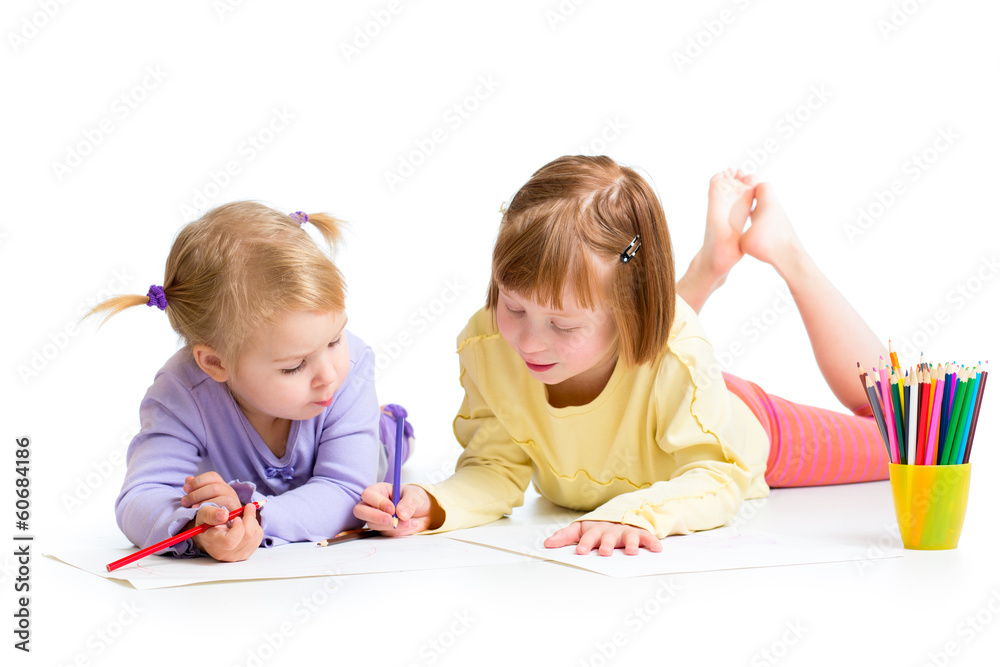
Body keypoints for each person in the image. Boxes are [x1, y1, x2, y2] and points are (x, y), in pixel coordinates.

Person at [354, 155, 888, 556]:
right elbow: (496, 465)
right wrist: (435, 503)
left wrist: (638, 514)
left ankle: (787, 254)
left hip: (735, 420)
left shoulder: (678, 352)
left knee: (901, 435)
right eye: (513, 307)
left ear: (630, 312)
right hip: (653, 371)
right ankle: (709, 265)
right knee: (643, 345)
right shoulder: (489, 347)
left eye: (561, 324)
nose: (529, 342)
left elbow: (716, 475)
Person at [89, 202, 412, 562]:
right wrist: (198, 527)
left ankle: (388, 428)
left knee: (383, 454)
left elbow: (344, 490)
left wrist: (253, 515)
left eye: (335, 340)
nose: (330, 375)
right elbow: (140, 496)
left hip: (367, 454)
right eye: (294, 366)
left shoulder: (351, 368)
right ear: (214, 363)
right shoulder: (179, 395)